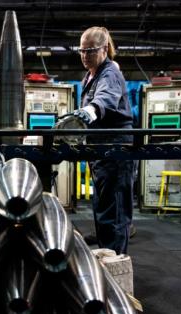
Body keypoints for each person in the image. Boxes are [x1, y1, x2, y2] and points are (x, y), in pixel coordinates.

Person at [73, 27, 134, 254]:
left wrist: (91, 110)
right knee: (104, 209)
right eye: (81, 51)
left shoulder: (109, 73)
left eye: (90, 51)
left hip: (115, 151)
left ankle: (116, 267)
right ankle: (106, 260)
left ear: (103, 49)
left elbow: (105, 98)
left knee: (115, 212)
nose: (85, 56)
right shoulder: (90, 75)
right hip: (100, 151)